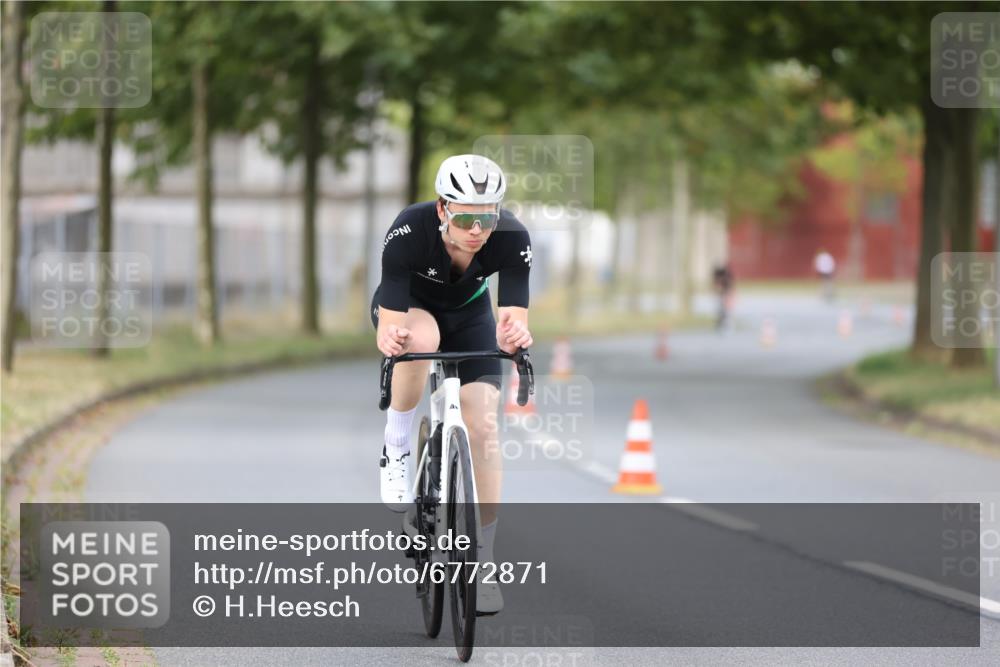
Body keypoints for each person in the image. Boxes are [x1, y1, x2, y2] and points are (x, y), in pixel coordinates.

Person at [371, 154, 533, 614]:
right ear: (443, 209)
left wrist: (515, 333)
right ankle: (398, 441)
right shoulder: (409, 230)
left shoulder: (513, 237)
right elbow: (392, 321)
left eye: (487, 217)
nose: (477, 230)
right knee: (421, 339)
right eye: (465, 217)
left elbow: (512, 319)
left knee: (483, 426)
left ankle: (482, 561)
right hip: (410, 310)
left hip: (470, 317)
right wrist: (390, 335)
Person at [712, 262, 734, 330]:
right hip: (720, 293)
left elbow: (730, 283)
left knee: (725, 309)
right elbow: (716, 284)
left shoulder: (726, 275)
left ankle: (725, 323)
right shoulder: (718, 274)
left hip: (725, 292)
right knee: (720, 309)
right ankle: (720, 322)